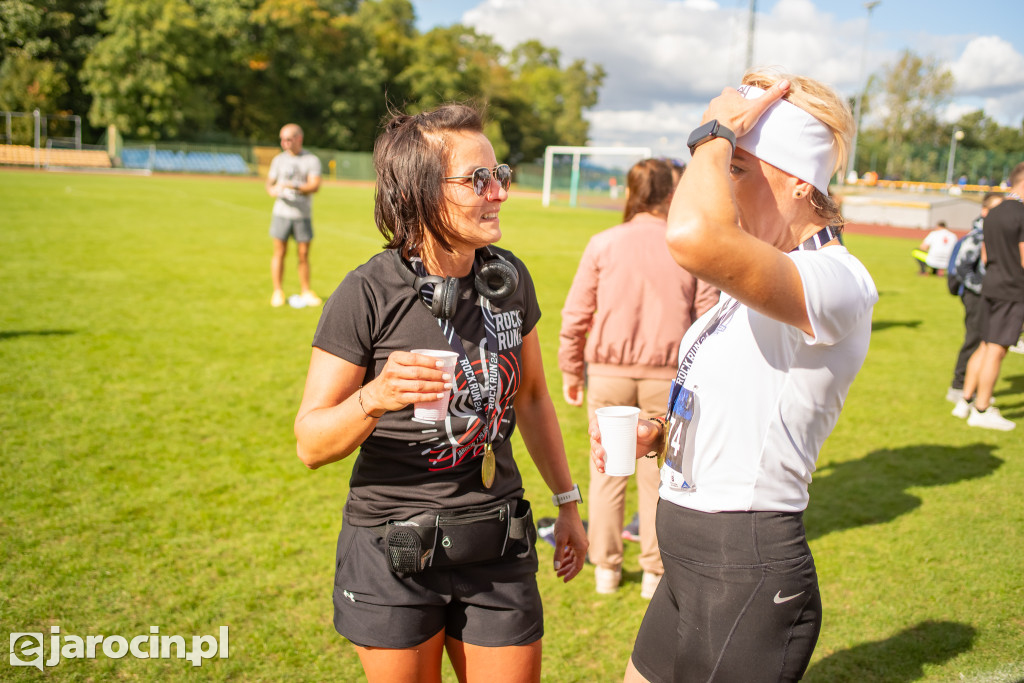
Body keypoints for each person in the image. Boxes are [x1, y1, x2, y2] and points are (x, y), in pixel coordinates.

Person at [591, 70, 878, 682]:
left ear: (801, 183)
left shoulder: (837, 279)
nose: (720, 178)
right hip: (689, 560)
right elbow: (747, 413)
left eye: (739, 169)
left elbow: (693, 234)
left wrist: (713, 133)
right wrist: (660, 433)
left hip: (744, 568)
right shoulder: (755, 288)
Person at [294, 103, 588, 682]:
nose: (498, 192)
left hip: (497, 540)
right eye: (479, 179)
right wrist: (375, 397)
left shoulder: (510, 279)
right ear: (422, 191)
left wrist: (568, 501)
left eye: (499, 175)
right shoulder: (365, 294)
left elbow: (530, 398)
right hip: (393, 551)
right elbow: (311, 442)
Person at [558, 158, 718, 599]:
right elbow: (708, 320)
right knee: (659, 477)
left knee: (607, 473)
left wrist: (572, 369)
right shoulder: (686, 245)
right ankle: (654, 571)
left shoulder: (604, 243)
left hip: (609, 373)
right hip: (665, 377)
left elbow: (575, 316)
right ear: (671, 194)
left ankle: (606, 568)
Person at [953, 162, 1024, 431]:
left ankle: (966, 401)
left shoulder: (993, 213)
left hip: (991, 285)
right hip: (1013, 290)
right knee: (996, 349)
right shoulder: (1021, 214)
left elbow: (984, 255)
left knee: (984, 345)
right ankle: (982, 409)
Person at [947, 192, 1004, 404]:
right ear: (985, 211)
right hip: (977, 296)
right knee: (974, 339)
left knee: (985, 342)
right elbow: (962, 269)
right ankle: (958, 387)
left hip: (991, 296)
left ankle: (977, 389)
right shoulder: (978, 236)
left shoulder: (995, 234)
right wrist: (983, 288)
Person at [266, 123, 322, 308]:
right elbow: (269, 184)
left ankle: (305, 290)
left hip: (302, 214)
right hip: (281, 213)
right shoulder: (278, 160)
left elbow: (314, 186)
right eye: (282, 139)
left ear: (299, 139)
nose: (284, 143)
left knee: (303, 254)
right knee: (279, 252)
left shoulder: (311, 160)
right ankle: (277, 291)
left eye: (288, 139)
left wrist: (292, 186)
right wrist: (273, 190)